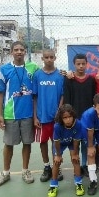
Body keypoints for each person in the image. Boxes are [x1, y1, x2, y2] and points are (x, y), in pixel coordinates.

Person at [0, 41, 39, 187]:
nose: (19, 52)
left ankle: (25, 170)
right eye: (16, 49)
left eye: (21, 49)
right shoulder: (4, 69)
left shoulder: (33, 68)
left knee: (27, 143)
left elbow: (46, 74)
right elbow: (0, 93)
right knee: (9, 144)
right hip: (10, 114)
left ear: (25, 52)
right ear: (11, 52)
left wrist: (65, 73)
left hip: (27, 114)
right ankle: (6, 172)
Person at [33, 49, 64, 182]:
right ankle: (47, 167)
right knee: (43, 142)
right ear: (42, 59)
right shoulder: (37, 75)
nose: (49, 59)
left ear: (55, 58)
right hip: (42, 117)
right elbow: (34, 97)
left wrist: (60, 110)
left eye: (51, 57)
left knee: (56, 143)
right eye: (46, 57)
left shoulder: (60, 75)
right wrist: (35, 116)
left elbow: (63, 95)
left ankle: (57, 167)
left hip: (56, 118)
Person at [63, 53, 96, 177]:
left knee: (86, 144)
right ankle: (76, 166)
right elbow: (67, 100)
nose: (81, 66)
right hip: (74, 119)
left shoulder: (91, 80)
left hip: (87, 119)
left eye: (83, 64)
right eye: (78, 64)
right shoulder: (69, 79)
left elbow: (94, 99)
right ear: (74, 65)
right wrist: (69, 118)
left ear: (87, 64)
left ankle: (84, 165)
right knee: (75, 144)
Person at [47, 104, 85, 197]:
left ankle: (78, 183)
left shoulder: (78, 124)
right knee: (56, 162)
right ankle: (53, 185)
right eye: (65, 118)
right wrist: (58, 155)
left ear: (73, 116)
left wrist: (75, 154)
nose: (68, 120)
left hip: (72, 141)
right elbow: (56, 142)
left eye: (70, 117)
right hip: (60, 143)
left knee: (75, 160)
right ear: (61, 118)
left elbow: (76, 140)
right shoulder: (57, 126)